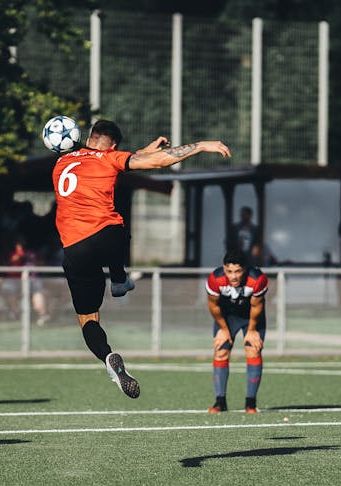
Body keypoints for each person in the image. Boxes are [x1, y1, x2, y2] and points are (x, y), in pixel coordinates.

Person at [52, 119, 231, 398]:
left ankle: (108, 358)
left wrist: (144, 150)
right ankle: (120, 279)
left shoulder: (62, 162)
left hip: (74, 248)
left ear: (89, 137)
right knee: (118, 228)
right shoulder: (109, 159)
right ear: (113, 146)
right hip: (106, 236)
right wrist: (202, 146)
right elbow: (153, 162)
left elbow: (115, 159)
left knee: (88, 319)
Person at [205, 250, 268, 413]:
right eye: (229, 271)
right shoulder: (215, 279)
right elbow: (213, 306)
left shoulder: (257, 279)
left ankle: (251, 403)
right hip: (227, 317)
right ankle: (220, 402)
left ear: (245, 269)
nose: (233, 276)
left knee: (253, 349)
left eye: (238, 271)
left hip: (252, 317)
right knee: (221, 351)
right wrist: (224, 330)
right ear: (224, 268)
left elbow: (257, 306)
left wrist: (252, 330)